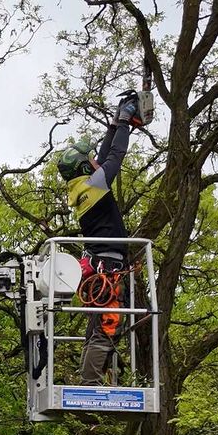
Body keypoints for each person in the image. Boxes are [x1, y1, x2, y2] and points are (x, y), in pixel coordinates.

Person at [57, 95, 145, 385]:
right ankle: (91, 382)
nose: (96, 161)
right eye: (90, 160)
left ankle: (90, 377)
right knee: (107, 326)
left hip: (99, 266)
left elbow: (105, 154)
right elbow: (115, 157)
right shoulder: (95, 184)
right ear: (85, 168)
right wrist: (123, 123)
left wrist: (114, 125)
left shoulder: (84, 186)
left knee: (97, 325)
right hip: (106, 266)